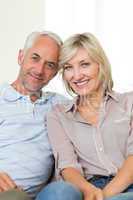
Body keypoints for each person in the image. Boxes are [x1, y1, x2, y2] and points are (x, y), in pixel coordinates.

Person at [46, 32, 133, 200]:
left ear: (100, 64)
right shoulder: (58, 115)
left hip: (128, 186)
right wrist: (89, 192)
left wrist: (103, 196)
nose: (76, 75)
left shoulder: (129, 103)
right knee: (57, 192)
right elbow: (67, 166)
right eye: (68, 68)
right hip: (87, 188)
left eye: (84, 64)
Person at [0, 30, 80, 200]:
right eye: (35, 58)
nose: (39, 70)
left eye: (50, 65)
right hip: (6, 194)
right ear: (21, 57)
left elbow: (98, 107)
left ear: (56, 72)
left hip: (39, 196)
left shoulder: (60, 104)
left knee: (63, 191)